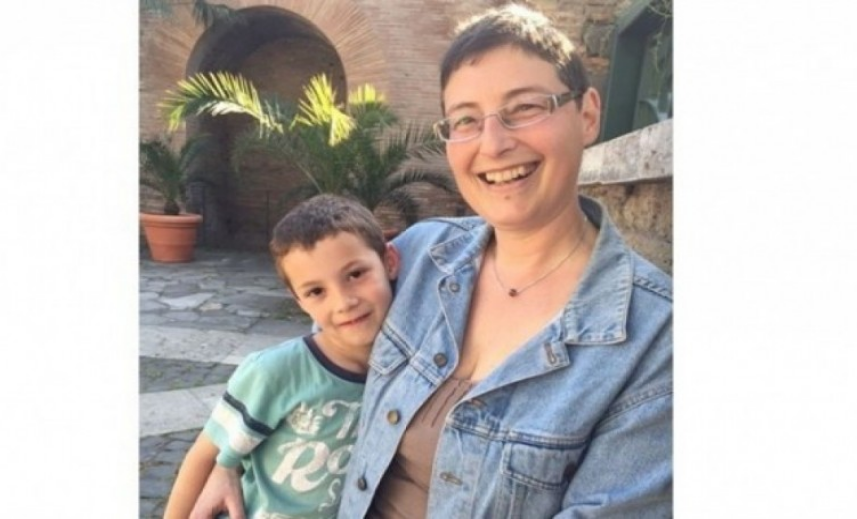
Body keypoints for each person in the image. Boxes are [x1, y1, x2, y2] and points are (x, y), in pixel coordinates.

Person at [196, 3, 672, 517]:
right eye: (466, 120)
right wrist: (233, 455)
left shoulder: (654, 340)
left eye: (525, 108)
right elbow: (328, 354)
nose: (494, 143)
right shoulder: (422, 254)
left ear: (588, 115)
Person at [162, 194, 400, 519]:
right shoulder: (275, 371)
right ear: (299, 300)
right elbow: (204, 456)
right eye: (316, 291)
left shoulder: (412, 373)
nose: (344, 302)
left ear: (389, 262)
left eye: (356, 274)